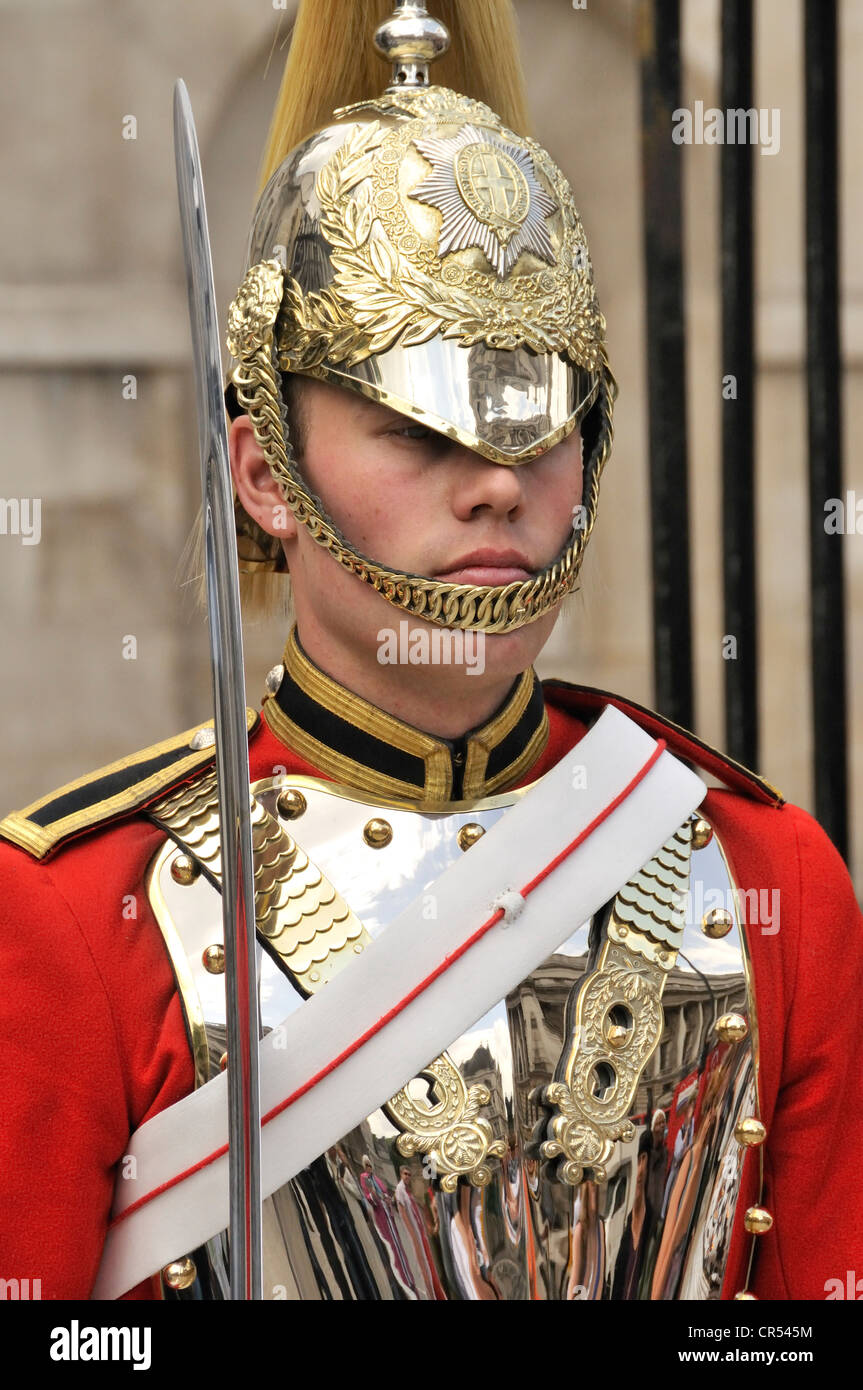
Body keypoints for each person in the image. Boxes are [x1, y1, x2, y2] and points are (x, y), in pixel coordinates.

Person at [1, 0, 861, 1303]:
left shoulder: (762, 869)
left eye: (534, 425)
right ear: (264, 475)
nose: (496, 488)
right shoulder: (72, 915)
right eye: (421, 431)